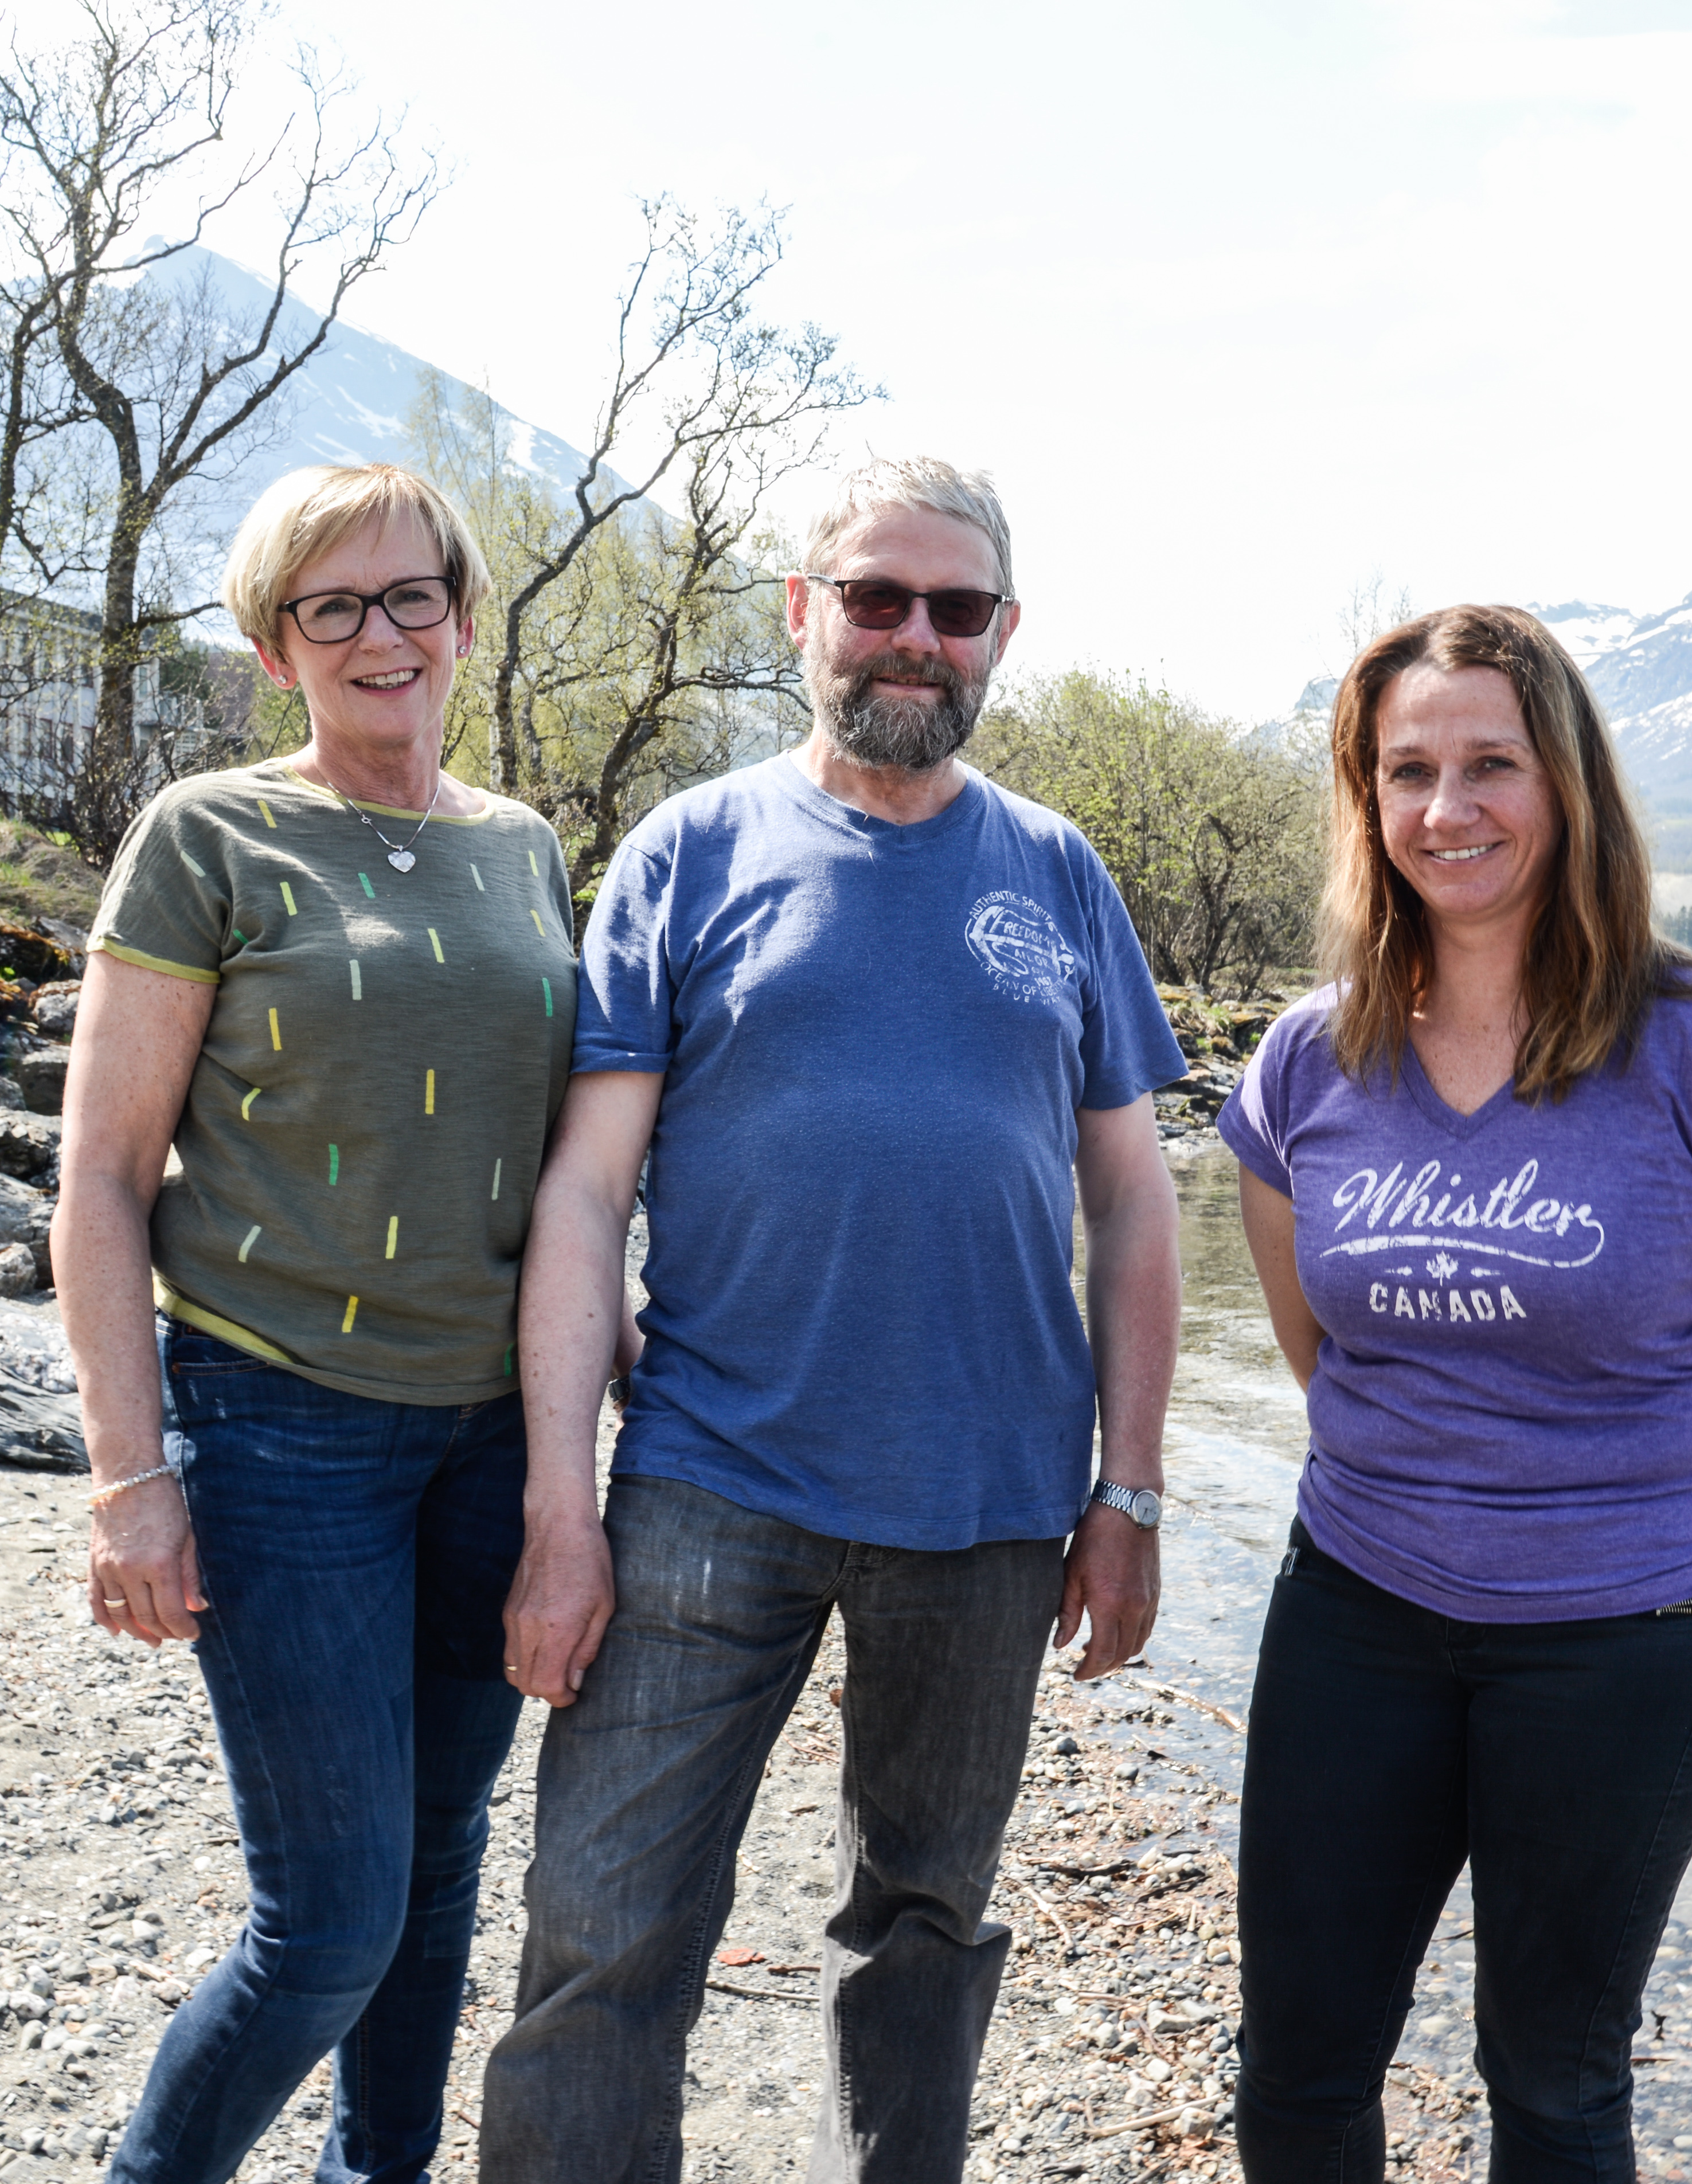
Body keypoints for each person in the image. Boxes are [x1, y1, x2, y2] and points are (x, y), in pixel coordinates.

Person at [476, 455, 1188, 2184]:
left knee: (924, 1926)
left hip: (991, 1502)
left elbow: (1133, 1200)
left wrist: (1134, 1491)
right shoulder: (687, 852)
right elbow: (585, 1195)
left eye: (956, 607)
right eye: (876, 597)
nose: (915, 636)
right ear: (802, 612)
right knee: (602, 1918)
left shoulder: (1060, 869)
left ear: (1002, 632)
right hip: (708, 1480)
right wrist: (561, 1512)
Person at [1217, 605, 1692, 2182]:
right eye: (1408, 770)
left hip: (1628, 1648)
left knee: (1554, 2079)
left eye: (1490, 764)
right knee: (1298, 2062)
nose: (1448, 807)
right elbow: (1326, 1357)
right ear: (1368, 801)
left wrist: (1642, 1520)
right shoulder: (1307, 1062)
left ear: (1567, 784)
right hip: (1356, 1615)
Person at [57, 463, 590, 2184]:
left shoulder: (524, 847)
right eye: (331, 606)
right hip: (281, 1425)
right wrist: (130, 1479)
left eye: (409, 595)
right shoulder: (205, 834)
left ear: (461, 616)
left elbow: (571, 1163)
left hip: (492, 1435)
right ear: (276, 643)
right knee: (328, 1923)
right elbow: (102, 1181)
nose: (380, 634)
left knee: (437, 1865)